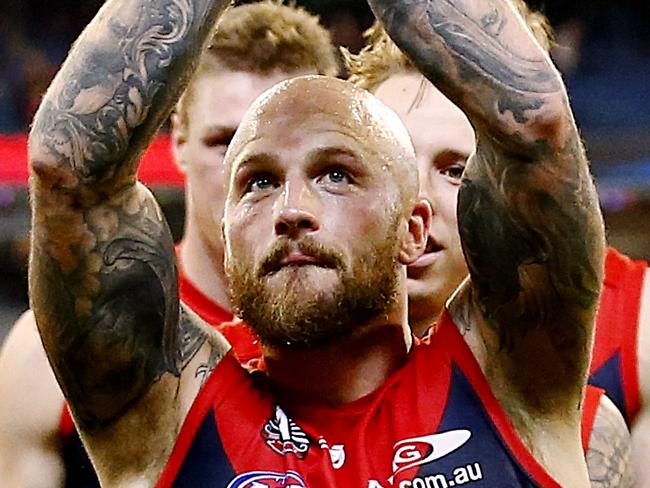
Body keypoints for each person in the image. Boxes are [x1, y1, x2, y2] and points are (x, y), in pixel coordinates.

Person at [27, 0, 604, 486]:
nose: (292, 211)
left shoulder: (510, 377)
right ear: (227, 237)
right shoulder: (166, 413)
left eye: (336, 174)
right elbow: (69, 171)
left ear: (413, 229)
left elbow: (532, 123)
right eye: (259, 182)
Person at [0, 3, 338, 487]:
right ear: (177, 140)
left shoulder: (387, 336)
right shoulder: (46, 351)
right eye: (226, 142)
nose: (252, 174)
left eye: (288, 143)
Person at [345, 14, 647, 487]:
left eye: (454, 170)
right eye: (393, 163)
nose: (416, 198)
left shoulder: (587, 428)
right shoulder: (237, 377)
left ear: (510, 198)